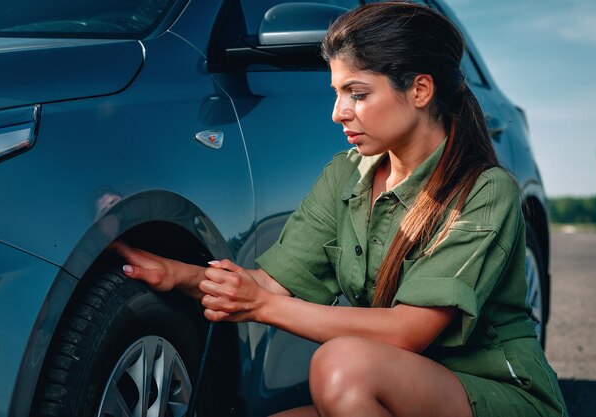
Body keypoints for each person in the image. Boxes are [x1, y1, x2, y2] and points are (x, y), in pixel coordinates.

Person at [113, 2, 568, 416]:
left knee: (341, 363)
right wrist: (179, 275)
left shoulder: (485, 190)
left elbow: (406, 331)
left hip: (493, 396)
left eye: (358, 93)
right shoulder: (347, 175)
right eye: (336, 92)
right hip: (394, 389)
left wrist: (261, 307)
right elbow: (271, 284)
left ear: (420, 90)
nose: (338, 112)